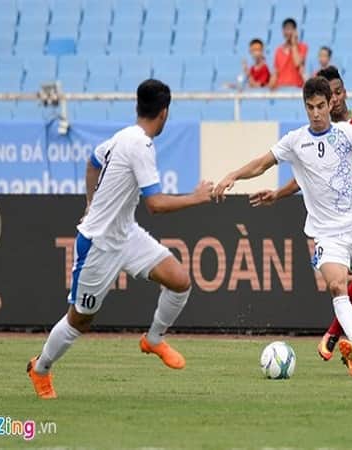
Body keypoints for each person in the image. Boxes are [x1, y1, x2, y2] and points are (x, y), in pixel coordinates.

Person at [27, 79, 214, 399]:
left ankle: (153, 339)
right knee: (80, 320)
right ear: (165, 113)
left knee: (179, 280)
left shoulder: (122, 137)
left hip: (125, 234)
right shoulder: (138, 144)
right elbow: (154, 205)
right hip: (99, 244)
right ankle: (40, 368)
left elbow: (92, 162)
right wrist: (197, 197)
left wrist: (89, 204)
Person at [213, 77, 352, 375]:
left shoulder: (346, 133)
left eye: (321, 106)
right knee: (336, 285)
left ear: (330, 104)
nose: (316, 113)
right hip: (327, 232)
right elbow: (262, 163)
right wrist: (233, 175)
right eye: (310, 107)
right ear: (304, 107)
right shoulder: (295, 140)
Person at [269, 18, 307, 89]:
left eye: (290, 29)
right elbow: (275, 71)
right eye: (285, 29)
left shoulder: (302, 47)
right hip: (281, 88)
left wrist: (294, 44)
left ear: (295, 31)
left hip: (296, 87)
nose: (287, 32)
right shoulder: (278, 50)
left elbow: (297, 63)